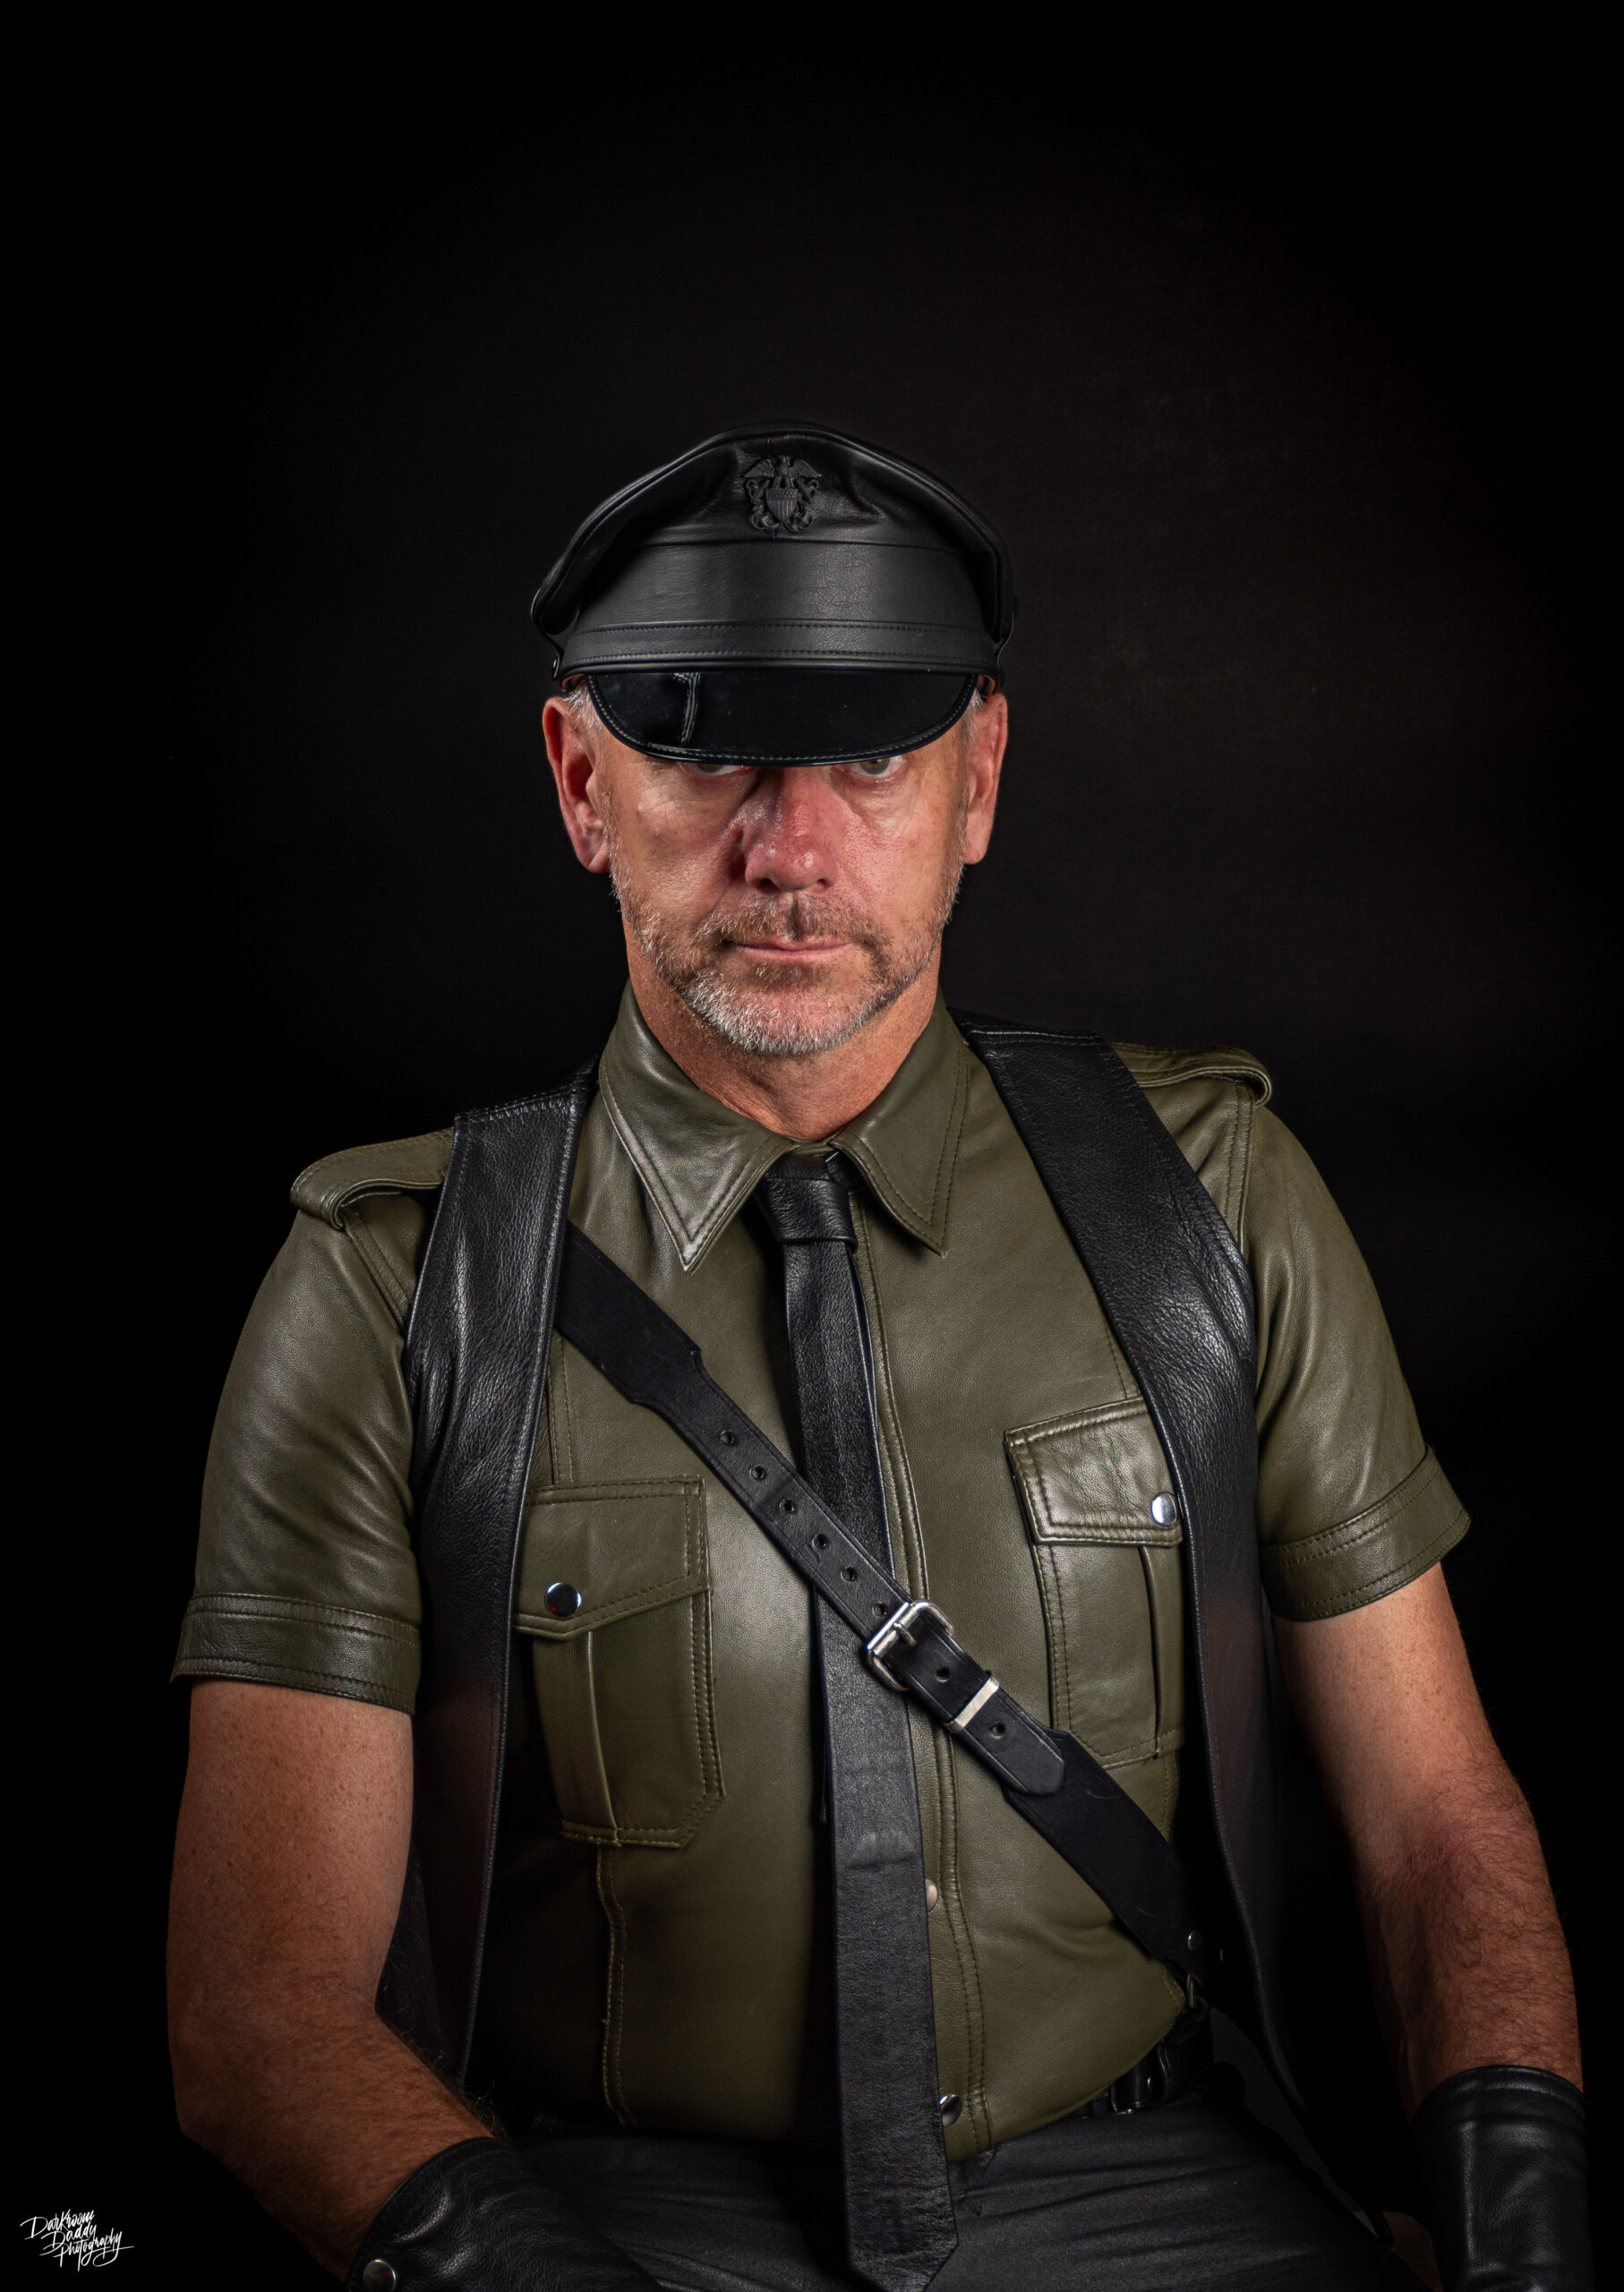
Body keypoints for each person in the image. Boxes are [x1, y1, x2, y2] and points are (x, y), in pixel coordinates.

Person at [167, 425, 1590, 2291]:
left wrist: (1519, 2236)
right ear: (581, 782)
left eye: (870, 760)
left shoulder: (1211, 1199)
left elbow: (1434, 1819)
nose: (790, 850)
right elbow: (259, 2007)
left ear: (977, 778)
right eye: (703, 755)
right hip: (619, 2222)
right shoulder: (389, 1285)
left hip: (1152, 2196)